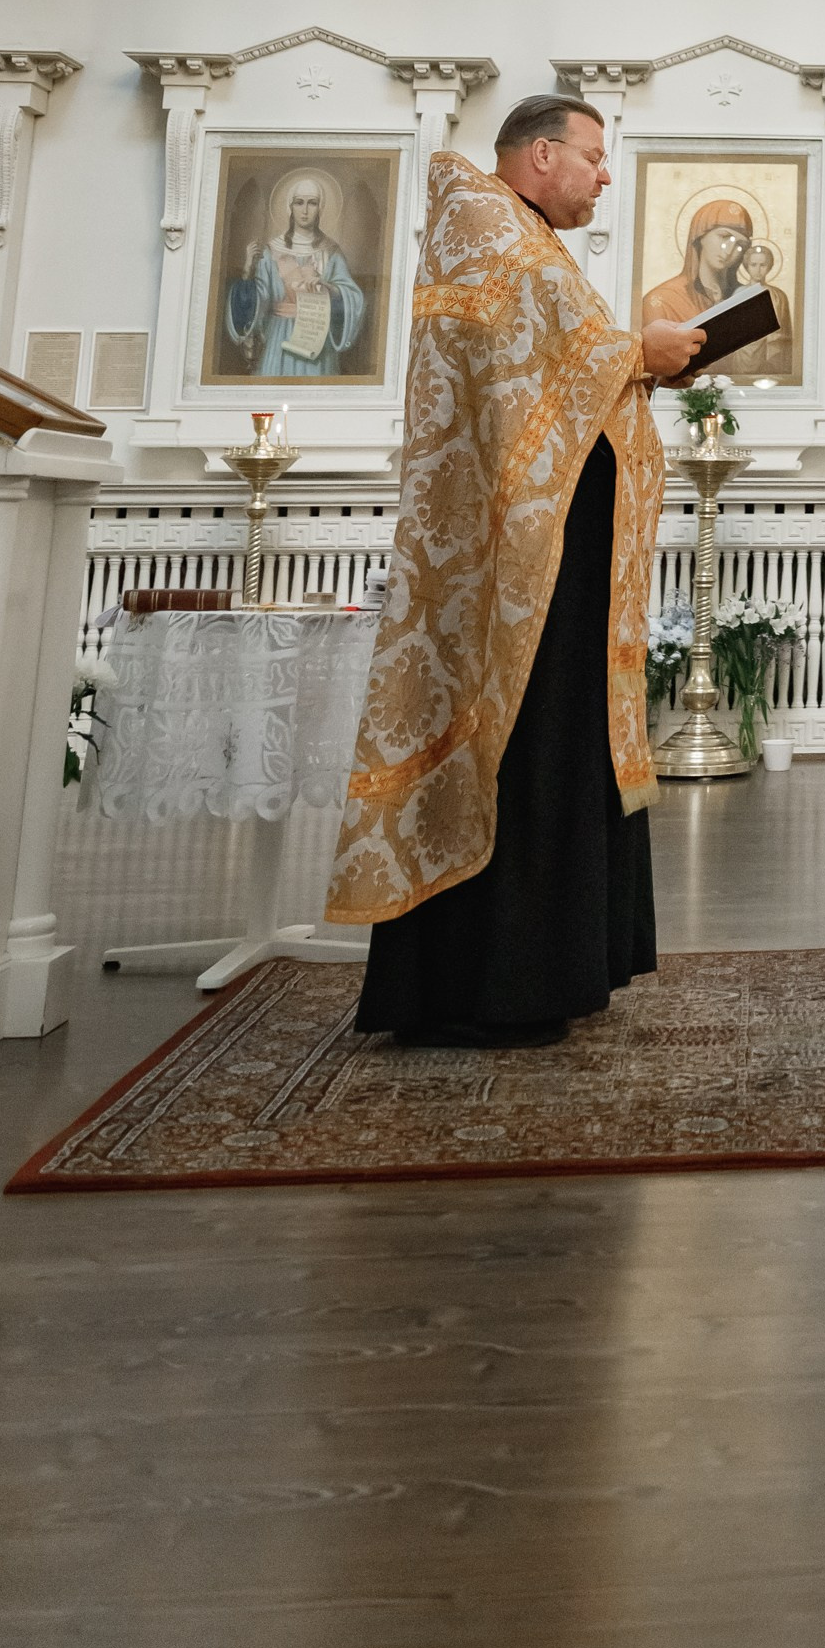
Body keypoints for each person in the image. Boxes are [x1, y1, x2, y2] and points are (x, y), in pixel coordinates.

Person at [328, 96, 703, 1046]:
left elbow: (549, 365)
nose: (604, 176)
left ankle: (552, 968)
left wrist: (640, 364)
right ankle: (497, 981)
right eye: (593, 156)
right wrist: (634, 352)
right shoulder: (486, 224)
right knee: (526, 741)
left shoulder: (514, 231)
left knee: (560, 740)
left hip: (552, 551)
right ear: (542, 154)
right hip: (515, 565)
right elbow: (529, 367)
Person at [224, 173, 368, 380]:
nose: (305, 210)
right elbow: (260, 299)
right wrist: (247, 271)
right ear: (290, 207)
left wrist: (328, 288)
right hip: (279, 339)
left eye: (313, 203)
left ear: (321, 208)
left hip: (317, 339)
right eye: (299, 203)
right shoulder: (270, 252)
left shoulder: (331, 252)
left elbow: (352, 297)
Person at [643, 194, 794, 378]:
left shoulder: (746, 299)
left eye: (740, 245)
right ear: (700, 236)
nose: (730, 250)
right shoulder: (662, 299)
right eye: (724, 237)